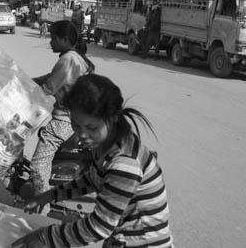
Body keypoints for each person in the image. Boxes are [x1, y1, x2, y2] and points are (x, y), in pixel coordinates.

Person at [13, 74, 173, 248]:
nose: (82, 135)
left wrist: (46, 237)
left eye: (92, 127)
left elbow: (99, 226)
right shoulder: (107, 143)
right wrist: (51, 195)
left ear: (112, 119)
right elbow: (92, 179)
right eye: (76, 125)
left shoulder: (124, 164)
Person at [30, 20, 95, 199]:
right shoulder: (76, 57)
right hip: (76, 117)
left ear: (65, 40)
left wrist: (24, 99)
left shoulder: (68, 59)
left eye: (53, 38)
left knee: (37, 167)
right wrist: (28, 80)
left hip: (63, 120)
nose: (50, 42)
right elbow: (51, 77)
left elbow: (49, 88)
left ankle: (42, 207)